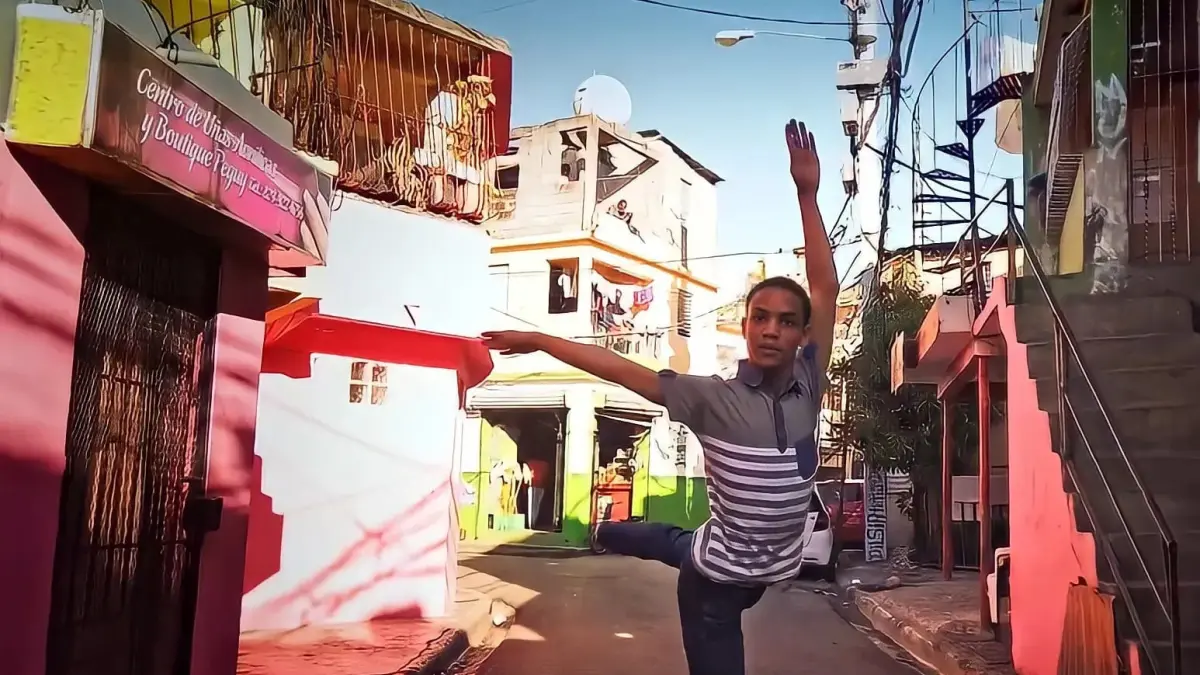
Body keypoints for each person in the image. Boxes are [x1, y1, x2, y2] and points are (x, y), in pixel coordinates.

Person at [481, 119, 837, 675]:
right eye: (760, 318)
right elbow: (624, 371)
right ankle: (609, 531)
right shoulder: (710, 399)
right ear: (745, 327)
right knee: (683, 550)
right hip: (714, 584)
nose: (772, 330)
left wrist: (807, 195)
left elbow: (825, 288)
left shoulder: (809, 385)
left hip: (758, 571)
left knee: (676, 540)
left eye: (787, 321)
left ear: (802, 335)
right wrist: (540, 339)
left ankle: (620, 532)